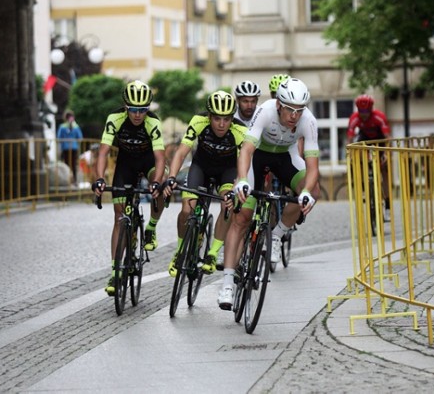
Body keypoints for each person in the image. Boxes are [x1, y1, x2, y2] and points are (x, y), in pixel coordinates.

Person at [217, 77, 321, 310]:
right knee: (242, 217)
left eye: (299, 110)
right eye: (290, 109)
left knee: (314, 189)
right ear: (278, 105)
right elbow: (246, 149)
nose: (294, 115)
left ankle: (277, 234)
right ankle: (227, 283)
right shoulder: (264, 111)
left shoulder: (309, 121)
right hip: (258, 156)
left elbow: (312, 165)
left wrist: (304, 192)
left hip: (286, 157)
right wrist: (242, 180)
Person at [92, 80, 166, 296]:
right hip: (126, 164)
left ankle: (151, 227)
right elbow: (104, 152)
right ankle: (115, 272)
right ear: (126, 106)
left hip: (149, 161)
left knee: (160, 184)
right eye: (133, 109)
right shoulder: (114, 119)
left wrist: (156, 183)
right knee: (119, 217)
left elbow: (160, 158)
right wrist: (99, 178)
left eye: (142, 110)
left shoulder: (153, 123)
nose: (137, 114)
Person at [162, 90, 247, 275]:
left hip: (227, 172)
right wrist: (171, 178)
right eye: (217, 119)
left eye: (226, 119)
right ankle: (179, 252)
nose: (222, 124)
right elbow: (181, 152)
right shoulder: (198, 121)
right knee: (187, 209)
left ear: (232, 118)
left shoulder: (241, 131)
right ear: (209, 116)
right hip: (201, 167)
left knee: (228, 205)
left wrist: (234, 189)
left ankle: (213, 252)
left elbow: (243, 167)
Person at [346, 94, 392, 222]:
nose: (364, 115)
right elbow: (349, 138)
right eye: (361, 112)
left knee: (384, 170)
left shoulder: (379, 117)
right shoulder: (354, 118)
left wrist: (387, 154)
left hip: (380, 138)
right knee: (356, 156)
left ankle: (387, 207)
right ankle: (363, 185)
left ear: (371, 109)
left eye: (366, 112)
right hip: (365, 138)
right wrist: (350, 154)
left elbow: (387, 137)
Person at [57, 110, 83, 185]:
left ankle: (68, 180)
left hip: (65, 148)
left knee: (66, 164)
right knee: (74, 164)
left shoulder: (62, 126)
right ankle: (74, 180)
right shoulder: (76, 126)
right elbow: (80, 137)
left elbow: (59, 137)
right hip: (74, 148)